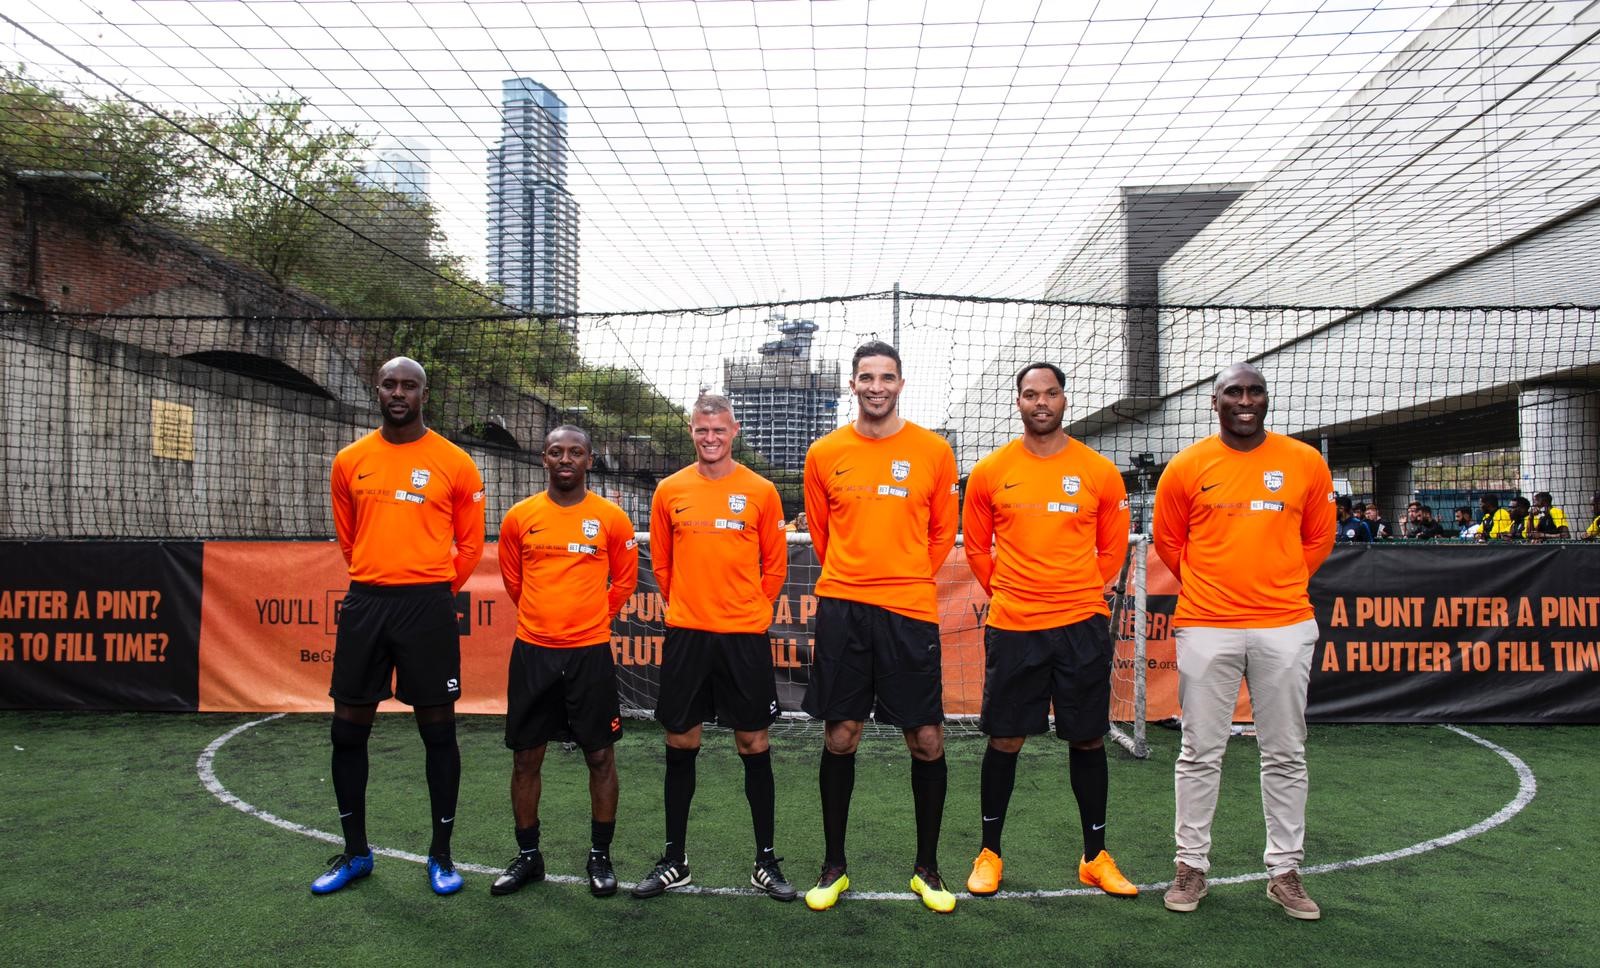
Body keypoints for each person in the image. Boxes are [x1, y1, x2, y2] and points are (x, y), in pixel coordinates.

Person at [1153, 362, 1336, 921]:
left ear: (1266, 399)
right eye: (1234, 391)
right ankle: (1191, 867)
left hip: (1285, 624)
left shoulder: (1304, 462)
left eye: (1255, 390)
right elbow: (1169, 544)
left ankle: (1283, 872)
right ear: (1216, 402)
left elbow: (1318, 539)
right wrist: (1220, 590)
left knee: (1284, 752)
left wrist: (1274, 584)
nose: (1245, 399)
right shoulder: (1187, 466)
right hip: (1207, 624)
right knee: (1199, 751)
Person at [960, 362, 1137, 899]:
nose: (1042, 402)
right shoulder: (991, 471)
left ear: (1065, 400)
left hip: (1082, 625)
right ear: (1018, 402)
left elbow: (1112, 549)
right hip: (1015, 626)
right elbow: (975, 547)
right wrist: (1016, 593)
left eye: (1051, 393)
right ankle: (989, 853)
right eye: (1031, 394)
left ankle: (1095, 856)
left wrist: (1076, 590)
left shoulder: (1098, 471)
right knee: (1006, 738)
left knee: (1086, 738)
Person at [314, 356, 486, 896]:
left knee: (437, 730)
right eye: (389, 383)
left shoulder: (455, 462)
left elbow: (471, 544)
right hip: (366, 603)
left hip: (428, 607)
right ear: (378, 390)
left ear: (423, 395)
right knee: (347, 730)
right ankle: (356, 853)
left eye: (408, 385)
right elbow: (348, 538)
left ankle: (441, 856)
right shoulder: (350, 460)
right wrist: (378, 576)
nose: (398, 392)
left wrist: (432, 588)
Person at [800, 340, 960, 913]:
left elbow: (943, 532)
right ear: (852, 384)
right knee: (841, 734)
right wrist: (856, 576)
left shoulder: (933, 451)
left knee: (926, 738)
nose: (876, 386)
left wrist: (905, 576)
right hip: (844, 609)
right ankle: (834, 866)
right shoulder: (823, 453)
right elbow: (822, 533)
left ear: (900, 383)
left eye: (886, 377)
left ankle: (928, 870)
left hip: (909, 612)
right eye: (865, 377)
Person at [630, 394, 795, 901]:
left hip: (743, 637)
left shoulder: (761, 491)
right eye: (702, 430)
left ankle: (765, 862)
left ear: (734, 430)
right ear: (691, 430)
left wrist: (749, 610)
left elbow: (774, 565)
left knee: (754, 743)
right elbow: (662, 564)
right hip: (688, 635)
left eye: (719, 430)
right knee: (681, 742)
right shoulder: (669, 490)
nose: (710, 438)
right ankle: (674, 859)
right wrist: (692, 608)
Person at [490, 426, 639, 899]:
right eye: (557, 452)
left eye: (576, 452)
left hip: (589, 652)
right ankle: (529, 857)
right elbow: (515, 582)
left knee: (600, 756)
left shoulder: (611, 519)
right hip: (533, 652)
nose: (566, 459)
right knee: (526, 757)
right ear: (544, 460)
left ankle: (600, 856)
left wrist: (591, 619)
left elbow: (624, 582)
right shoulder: (520, 517)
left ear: (590, 460)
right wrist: (544, 620)